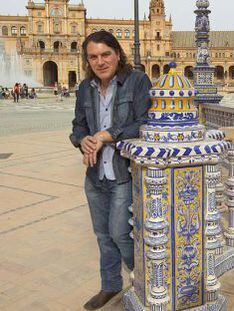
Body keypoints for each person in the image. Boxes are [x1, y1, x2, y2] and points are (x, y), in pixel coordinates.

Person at [69, 30, 152, 310]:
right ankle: (110, 286)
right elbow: (78, 125)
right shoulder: (85, 88)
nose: (100, 61)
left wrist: (107, 135)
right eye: (93, 56)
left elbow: (144, 123)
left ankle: (144, 282)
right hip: (95, 175)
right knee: (102, 235)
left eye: (106, 54)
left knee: (119, 233)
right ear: (87, 60)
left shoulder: (137, 81)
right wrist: (83, 140)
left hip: (122, 173)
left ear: (118, 54)